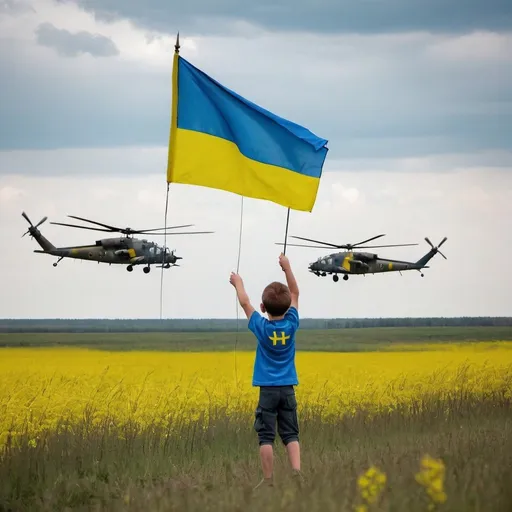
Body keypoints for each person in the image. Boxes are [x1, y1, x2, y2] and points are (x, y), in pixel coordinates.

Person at [229, 253, 302, 488]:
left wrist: (238, 283)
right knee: (291, 434)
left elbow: (244, 303)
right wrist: (287, 268)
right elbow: (295, 294)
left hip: (267, 391)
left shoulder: (261, 327)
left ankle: (269, 480)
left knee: (266, 436)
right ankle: (297, 474)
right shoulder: (292, 323)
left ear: (263, 307)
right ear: (288, 306)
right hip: (288, 388)